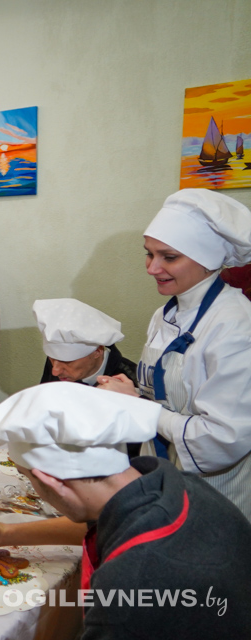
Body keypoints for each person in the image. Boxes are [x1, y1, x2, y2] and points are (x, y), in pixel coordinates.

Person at [0, 383, 251, 640]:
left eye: (28, 478)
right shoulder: (179, 486)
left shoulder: (129, 583)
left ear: (50, 479)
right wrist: (3, 534)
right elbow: (101, 524)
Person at [98, 189, 251, 520]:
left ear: (208, 258)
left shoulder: (236, 325)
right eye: (149, 254)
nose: (152, 268)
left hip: (216, 495)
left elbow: (221, 439)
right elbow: (166, 394)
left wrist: (141, 408)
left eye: (168, 257)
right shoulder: (164, 315)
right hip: (167, 478)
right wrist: (129, 391)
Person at [34, 298, 137, 385]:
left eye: (67, 361)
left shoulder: (132, 380)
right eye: (51, 359)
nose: (55, 371)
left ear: (98, 351)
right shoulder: (58, 366)